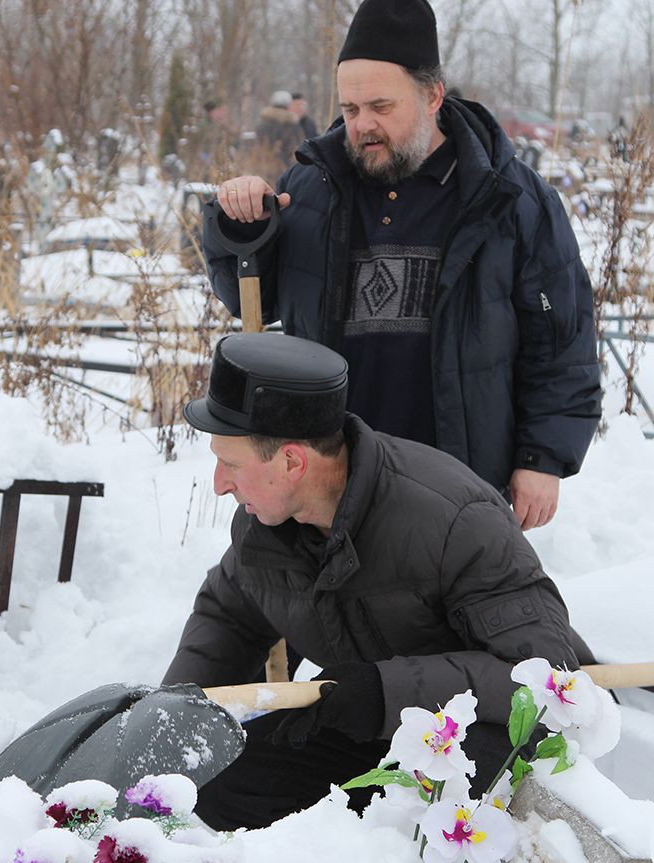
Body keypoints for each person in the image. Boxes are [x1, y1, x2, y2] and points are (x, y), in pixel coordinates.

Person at [162, 331, 594, 830]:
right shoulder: (266, 528)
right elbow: (229, 617)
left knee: (414, 822)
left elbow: (545, 676)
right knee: (215, 781)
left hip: (475, 738)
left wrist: (386, 692)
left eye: (230, 464)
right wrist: (176, 715)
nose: (220, 484)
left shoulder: (455, 520)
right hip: (373, 723)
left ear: (293, 461)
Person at [203, 0, 601, 531]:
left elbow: (562, 343)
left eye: (380, 106)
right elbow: (251, 296)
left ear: (432, 94)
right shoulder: (311, 187)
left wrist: (542, 458)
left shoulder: (512, 201)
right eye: (349, 109)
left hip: (455, 485)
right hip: (327, 482)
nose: (362, 125)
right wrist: (241, 227)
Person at [253, 90, 304, 180]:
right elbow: (296, 149)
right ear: (288, 105)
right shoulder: (292, 125)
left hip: (264, 171)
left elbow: (257, 149)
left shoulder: (263, 124)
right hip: (287, 171)